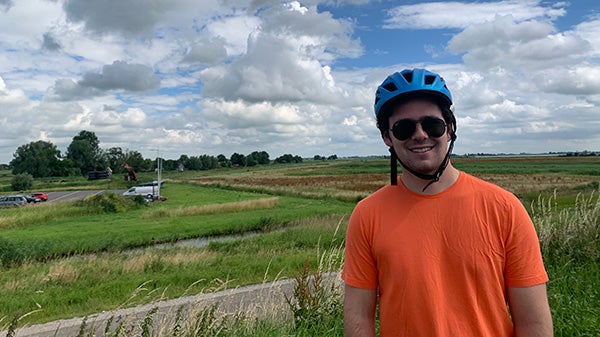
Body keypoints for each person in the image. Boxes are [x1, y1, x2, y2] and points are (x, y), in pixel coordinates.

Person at [342, 68, 553, 336]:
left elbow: (534, 323)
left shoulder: (504, 208)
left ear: (450, 129)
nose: (419, 135)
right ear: (387, 137)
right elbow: (359, 317)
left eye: (432, 124)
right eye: (404, 128)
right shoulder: (367, 214)